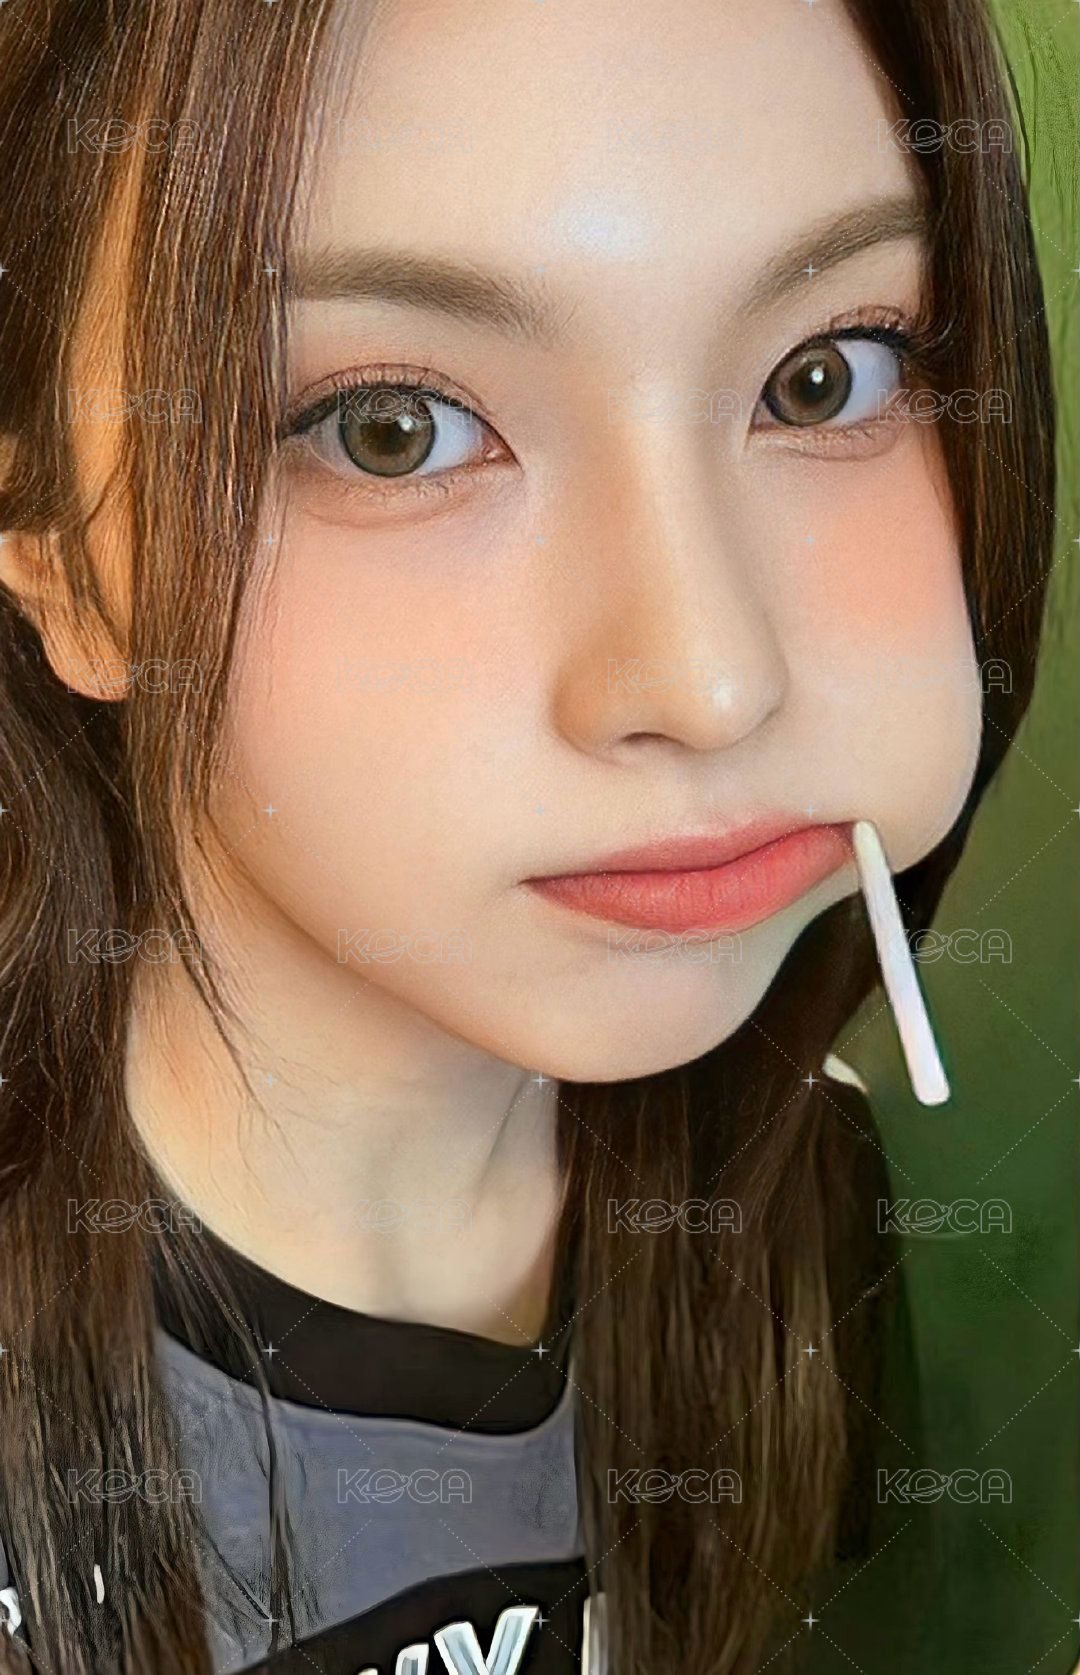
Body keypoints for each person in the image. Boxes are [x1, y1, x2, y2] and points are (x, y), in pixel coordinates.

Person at [0, 0, 1057, 1670]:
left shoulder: (813, 1190)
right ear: (64, 556)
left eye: (824, 376)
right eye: (390, 426)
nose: (712, 680)